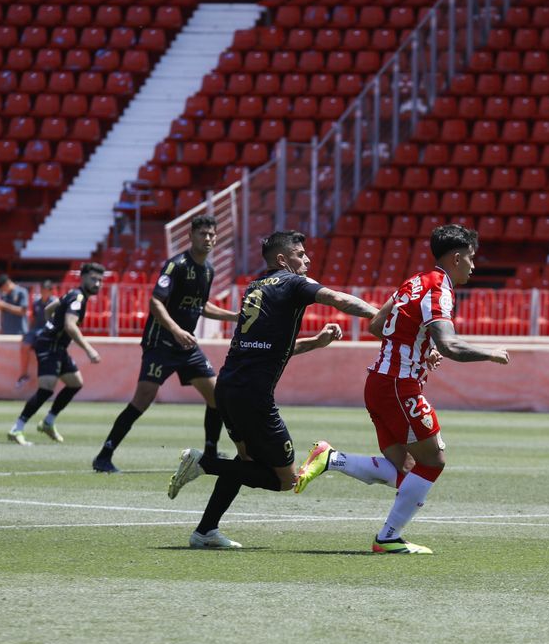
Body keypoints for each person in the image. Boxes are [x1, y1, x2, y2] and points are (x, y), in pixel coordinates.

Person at [290, 224, 511, 554]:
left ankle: (331, 459)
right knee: (433, 461)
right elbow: (450, 345)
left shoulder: (414, 281)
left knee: (406, 470)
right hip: (399, 386)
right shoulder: (439, 290)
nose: (473, 266)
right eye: (470, 258)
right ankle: (388, 537)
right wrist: (490, 353)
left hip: (379, 382)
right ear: (455, 258)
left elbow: (377, 324)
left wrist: (419, 346)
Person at [163, 230, 380, 549]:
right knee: (285, 480)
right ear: (283, 259)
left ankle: (205, 530)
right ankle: (204, 463)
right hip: (253, 397)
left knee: (245, 461)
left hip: (228, 387)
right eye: (301, 254)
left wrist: (316, 343)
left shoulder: (255, 287)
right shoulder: (293, 283)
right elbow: (337, 298)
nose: (307, 259)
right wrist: (380, 314)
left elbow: (270, 348)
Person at [92, 215, 239, 474]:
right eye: (202, 234)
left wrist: (233, 316)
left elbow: (200, 304)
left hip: (186, 345)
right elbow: (156, 302)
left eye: (211, 235)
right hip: (161, 342)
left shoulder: (208, 270)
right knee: (143, 400)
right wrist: (176, 330)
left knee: (217, 396)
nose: (207, 238)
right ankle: (104, 455)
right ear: (191, 236)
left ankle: (211, 453)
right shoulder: (176, 265)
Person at [8, 262, 104, 445]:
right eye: (93, 279)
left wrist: (51, 326)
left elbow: (48, 310)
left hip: (57, 346)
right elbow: (70, 325)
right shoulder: (78, 299)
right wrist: (89, 350)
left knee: (75, 383)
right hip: (48, 345)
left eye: (100, 280)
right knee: (46, 388)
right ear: (82, 278)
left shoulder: (73, 294)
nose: (97, 284)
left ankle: (48, 422)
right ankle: (16, 428)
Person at [16, 280, 52, 386]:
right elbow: (33, 319)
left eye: (46, 291)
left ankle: (47, 376)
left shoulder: (55, 303)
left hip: (48, 330)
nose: (43, 293)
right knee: (25, 345)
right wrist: (28, 332)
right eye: (42, 291)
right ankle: (23, 375)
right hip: (36, 330)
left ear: (50, 291)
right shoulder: (36, 302)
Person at [0, 273, 29, 339]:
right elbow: (2, 314)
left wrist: (4, 305)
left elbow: (22, 311)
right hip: (6, 332)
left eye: (2, 288)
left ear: (7, 283)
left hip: (19, 332)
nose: (2, 290)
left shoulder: (22, 292)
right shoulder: (4, 296)